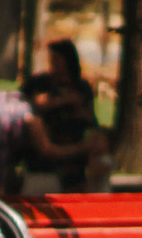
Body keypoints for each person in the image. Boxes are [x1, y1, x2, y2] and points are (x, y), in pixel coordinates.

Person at [22, 39, 105, 193]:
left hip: (74, 148)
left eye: (58, 59)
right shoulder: (41, 83)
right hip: (47, 146)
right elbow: (35, 105)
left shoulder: (81, 87)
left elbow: (90, 119)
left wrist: (78, 106)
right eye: (52, 59)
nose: (54, 64)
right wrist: (63, 101)